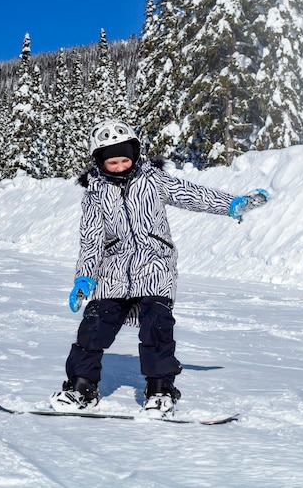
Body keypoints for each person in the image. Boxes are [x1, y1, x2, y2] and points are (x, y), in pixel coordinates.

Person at [50, 119, 269, 415]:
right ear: (99, 162)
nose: (119, 166)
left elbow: (194, 195)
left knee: (156, 326)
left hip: (155, 268)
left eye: (124, 159)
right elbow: (91, 241)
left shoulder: (153, 180)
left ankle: (160, 389)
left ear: (135, 154)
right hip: (112, 273)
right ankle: (81, 386)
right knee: (93, 328)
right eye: (112, 162)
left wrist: (232, 205)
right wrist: (85, 277)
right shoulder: (94, 195)